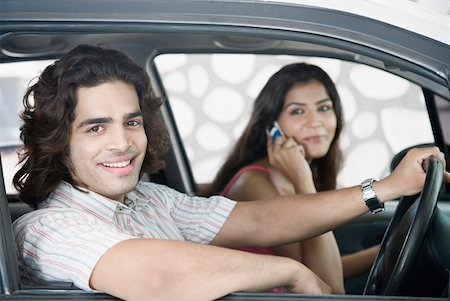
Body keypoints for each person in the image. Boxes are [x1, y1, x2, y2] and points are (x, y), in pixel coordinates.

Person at [12, 44, 450, 301]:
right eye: (95, 127)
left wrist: (386, 188)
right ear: (58, 141)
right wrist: (288, 272)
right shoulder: (47, 229)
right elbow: (159, 275)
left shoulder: (147, 199)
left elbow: (259, 220)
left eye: (131, 121)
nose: (122, 143)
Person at [210, 63, 378, 293]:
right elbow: (330, 286)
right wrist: (303, 179)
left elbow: (323, 266)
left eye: (324, 108)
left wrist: (385, 249)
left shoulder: (286, 177)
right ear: (272, 126)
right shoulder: (253, 183)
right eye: (298, 111)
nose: (316, 121)